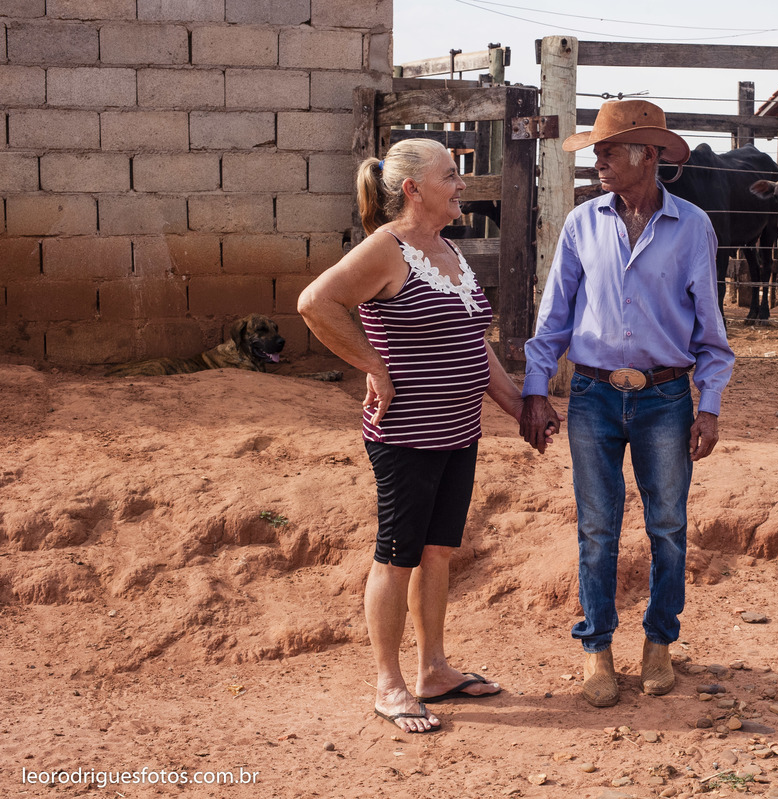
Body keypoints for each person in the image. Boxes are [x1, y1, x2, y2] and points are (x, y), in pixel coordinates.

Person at [298, 138, 541, 734]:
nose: (462, 185)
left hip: (459, 431)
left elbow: (474, 345)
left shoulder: (448, 251)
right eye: (452, 175)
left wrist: (520, 407)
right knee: (397, 554)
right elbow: (315, 303)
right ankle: (389, 683)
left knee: (438, 551)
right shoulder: (386, 250)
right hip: (405, 434)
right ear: (413, 189)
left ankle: (433, 670)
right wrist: (375, 366)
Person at [519, 100, 735, 707]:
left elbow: (711, 329)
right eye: (598, 150)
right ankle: (597, 651)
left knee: (667, 525)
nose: (598, 160)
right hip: (591, 395)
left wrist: (708, 403)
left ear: (649, 156)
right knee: (596, 528)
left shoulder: (692, 226)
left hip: (665, 395)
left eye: (609, 150)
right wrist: (536, 391)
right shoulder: (581, 223)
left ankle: (659, 643)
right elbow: (553, 316)